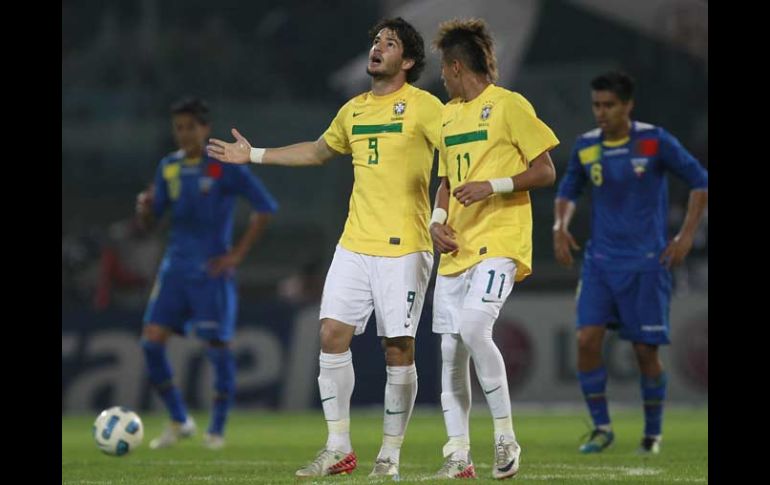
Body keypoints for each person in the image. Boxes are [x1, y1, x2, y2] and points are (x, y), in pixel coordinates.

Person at [207, 17, 442, 479]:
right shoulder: (353, 109)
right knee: (332, 335)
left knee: (398, 348)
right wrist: (254, 155)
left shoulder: (425, 106)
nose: (377, 48)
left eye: (389, 43)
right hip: (355, 242)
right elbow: (316, 152)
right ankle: (338, 448)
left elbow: (455, 159)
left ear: (408, 61)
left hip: (406, 246)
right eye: (376, 41)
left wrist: (445, 215)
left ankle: (389, 456)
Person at [428, 18, 559, 480]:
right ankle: (458, 454)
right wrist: (436, 222)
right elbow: (445, 182)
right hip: (455, 248)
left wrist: (493, 185)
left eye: (444, 69)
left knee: (473, 327)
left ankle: (505, 437)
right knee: (449, 352)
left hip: (499, 239)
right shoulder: (447, 116)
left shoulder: (508, 106)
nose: (441, 78)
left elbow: (545, 170)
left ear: (457, 65)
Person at [552, 71, 708, 455]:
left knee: (644, 353)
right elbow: (569, 188)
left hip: (646, 264)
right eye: (596, 105)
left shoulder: (655, 141)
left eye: (609, 105)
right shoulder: (587, 146)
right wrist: (559, 225)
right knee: (586, 340)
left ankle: (652, 434)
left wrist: (686, 235)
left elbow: (700, 181)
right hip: (601, 263)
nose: (601, 113)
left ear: (627, 106)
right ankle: (602, 428)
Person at [136, 97, 278, 450]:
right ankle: (179, 419)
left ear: (205, 128)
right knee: (150, 343)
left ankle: (216, 429)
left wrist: (236, 255)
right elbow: (153, 221)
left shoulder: (225, 166)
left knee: (217, 348)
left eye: (190, 127)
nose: (184, 134)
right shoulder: (168, 167)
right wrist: (144, 211)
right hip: (174, 270)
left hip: (211, 273)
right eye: (179, 128)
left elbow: (264, 209)